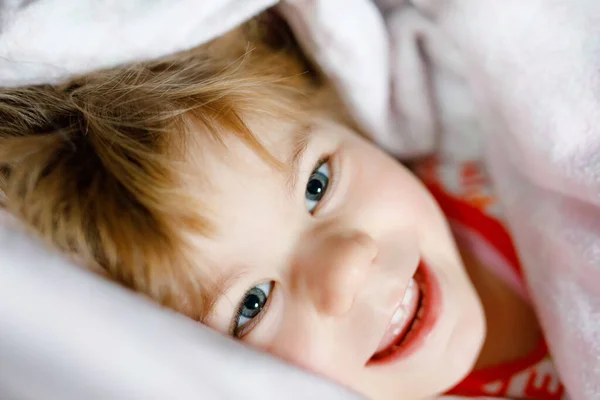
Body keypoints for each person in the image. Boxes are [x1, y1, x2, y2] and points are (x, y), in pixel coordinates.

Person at [0, 11, 565, 399]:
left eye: (318, 184)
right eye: (251, 304)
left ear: (341, 117)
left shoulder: (496, 181)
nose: (346, 265)